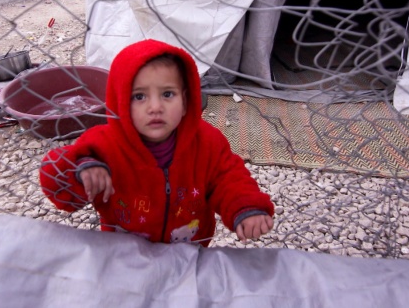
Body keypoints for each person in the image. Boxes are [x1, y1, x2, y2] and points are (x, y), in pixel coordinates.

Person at [40, 39, 274, 246]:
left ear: (185, 101)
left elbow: (229, 178)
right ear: (120, 101)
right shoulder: (103, 144)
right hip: (125, 254)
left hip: (188, 251)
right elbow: (56, 181)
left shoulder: (206, 142)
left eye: (167, 94)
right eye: (139, 96)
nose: (155, 107)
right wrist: (82, 169)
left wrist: (247, 208)